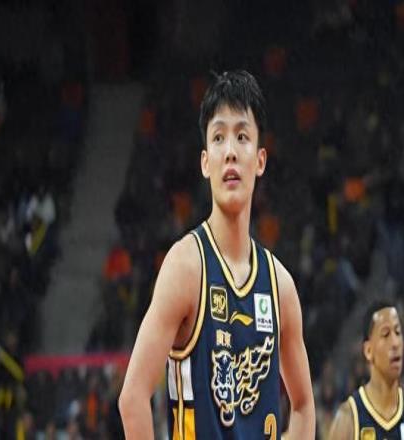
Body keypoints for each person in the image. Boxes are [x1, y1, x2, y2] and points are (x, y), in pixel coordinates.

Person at [119, 70, 315, 439]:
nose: (230, 152)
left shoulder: (280, 286)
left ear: (260, 160)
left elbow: (304, 405)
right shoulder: (185, 267)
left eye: (242, 137)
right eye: (219, 137)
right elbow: (132, 398)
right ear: (205, 162)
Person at [329, 301, 404, 439]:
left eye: (398, 332)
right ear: (368, 351)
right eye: (386, 334)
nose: (395, 343)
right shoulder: (347, 419)